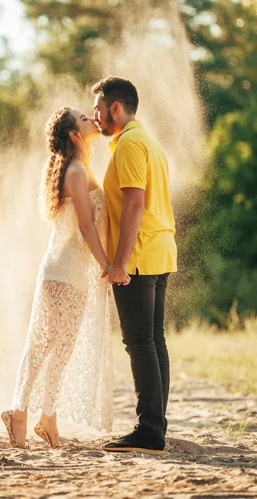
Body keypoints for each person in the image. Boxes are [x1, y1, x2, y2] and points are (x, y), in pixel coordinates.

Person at [1, 106, 114, 449]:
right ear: (74, 135)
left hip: (74, 272)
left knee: (62, 348)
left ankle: (47, 416)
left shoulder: (82, 168)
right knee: (44, 344)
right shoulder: (77, 172)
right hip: (62, 272)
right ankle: (18, 411)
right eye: (84, 119)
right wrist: (107, 264)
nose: (91, 119)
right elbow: (84, 225)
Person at [93, 76, 177, 454]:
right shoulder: (149, 140)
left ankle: (149, 430)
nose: (95, 115)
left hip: (140, 254)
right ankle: (156, 424)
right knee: (154, 340)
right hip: (161, 249)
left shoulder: (128, 144)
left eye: (97, 108)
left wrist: (119, 263)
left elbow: (134, 204)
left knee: (139, 341)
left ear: (115, 107)